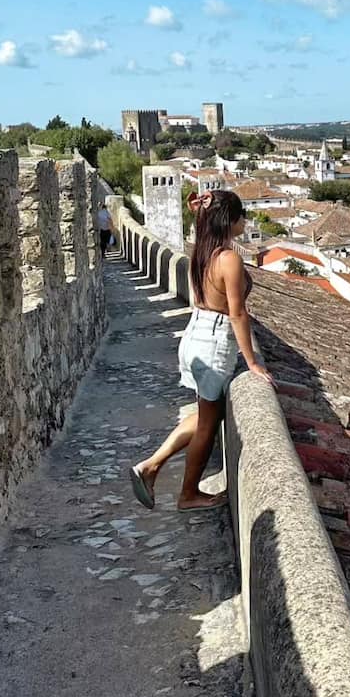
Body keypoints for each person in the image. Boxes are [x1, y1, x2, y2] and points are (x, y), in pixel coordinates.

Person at [130, 190, 273, 511]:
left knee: (207, 413)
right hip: (215, 342)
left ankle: (150, 466)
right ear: (230, 220)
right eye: (241, 215)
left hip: (195, 333)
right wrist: (252, 362)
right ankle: (188, 493)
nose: (244, 221)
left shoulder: (203, 252)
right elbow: (237, 313)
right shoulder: (229, 258)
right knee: (209, 424)